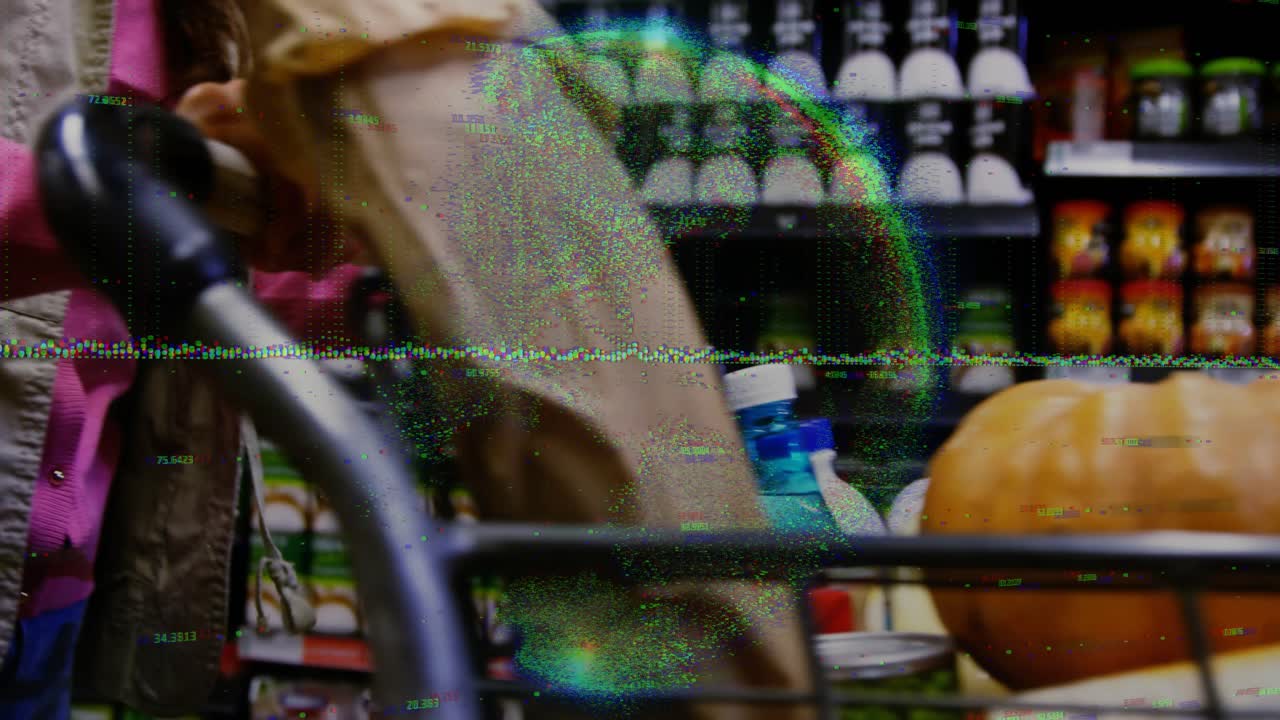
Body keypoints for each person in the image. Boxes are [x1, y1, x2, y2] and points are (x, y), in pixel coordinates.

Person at [0, 1, 364, 717]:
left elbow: (204, 282)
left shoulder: (202, 16)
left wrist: (385, 280)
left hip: (49, 595)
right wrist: (145, 185)